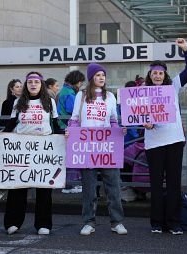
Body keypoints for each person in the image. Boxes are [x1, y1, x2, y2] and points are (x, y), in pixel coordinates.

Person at [66, 63, 128, 236]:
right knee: (89, 188)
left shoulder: (110, 96)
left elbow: (114, 119)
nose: (101, 78)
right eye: (98, 75)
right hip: (87, 147)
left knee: (113, 186)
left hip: (107, 147)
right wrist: (70, 131)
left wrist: (119, 130)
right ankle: (89, 222)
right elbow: (75, 118)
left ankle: (117, 222)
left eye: (103, 75)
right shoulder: (82, 95)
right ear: (91, 77)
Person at [142, 38, 187, 235]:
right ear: (150, 75)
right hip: (153, 142)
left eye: (160, 73)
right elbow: (136, 115)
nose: (157, 76)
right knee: (155, 184)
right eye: (154, 73)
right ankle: (156, 222)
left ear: (165, 75)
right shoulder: (142, 92)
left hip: (174, 141)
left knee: (173, 183)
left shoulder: (173, 86)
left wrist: (185, 50)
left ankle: (173, 223)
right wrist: (143, 123)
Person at [3, 71, 60, 236]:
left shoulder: (49, 102)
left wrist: (64, 135)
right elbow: (11, 124)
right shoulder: (18, 102)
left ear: (41, 84)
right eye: (30, 82)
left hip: (44, 149)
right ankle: (12, 222)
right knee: (18, 187)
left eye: (36, 81)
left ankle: (43, 224)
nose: (33, 84)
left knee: (44, 189)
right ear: (26, 85)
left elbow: (55, 125)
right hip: (21, 149)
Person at [57, 70, 85, 194]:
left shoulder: (64, 91)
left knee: (69, 156)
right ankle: (70, 184)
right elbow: (73, 109)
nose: (80, 85)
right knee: (72, 156)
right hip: (68, 126)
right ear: (76, 81)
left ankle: (70, 183)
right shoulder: (69, 93)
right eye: (80, 83)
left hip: (63, 126)